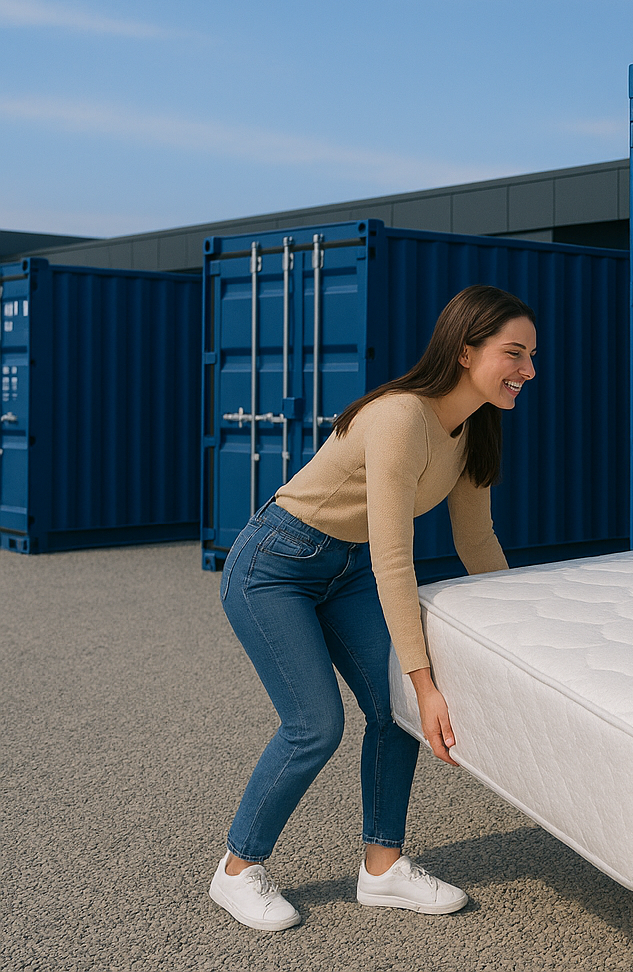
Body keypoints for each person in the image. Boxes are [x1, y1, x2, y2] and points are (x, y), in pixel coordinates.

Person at [208, 284, 536, 931]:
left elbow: (477, 542)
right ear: (466, 352)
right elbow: (395, 557)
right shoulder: (400, 416)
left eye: (531, 356)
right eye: (516, 353)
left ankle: (382, 869)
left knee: (395, 713)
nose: (529, 371)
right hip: (275, 564)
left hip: (347, 565)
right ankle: (237, 871)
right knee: (313, 725)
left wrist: (523, 632)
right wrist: (426, 679)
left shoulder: (473, 430)